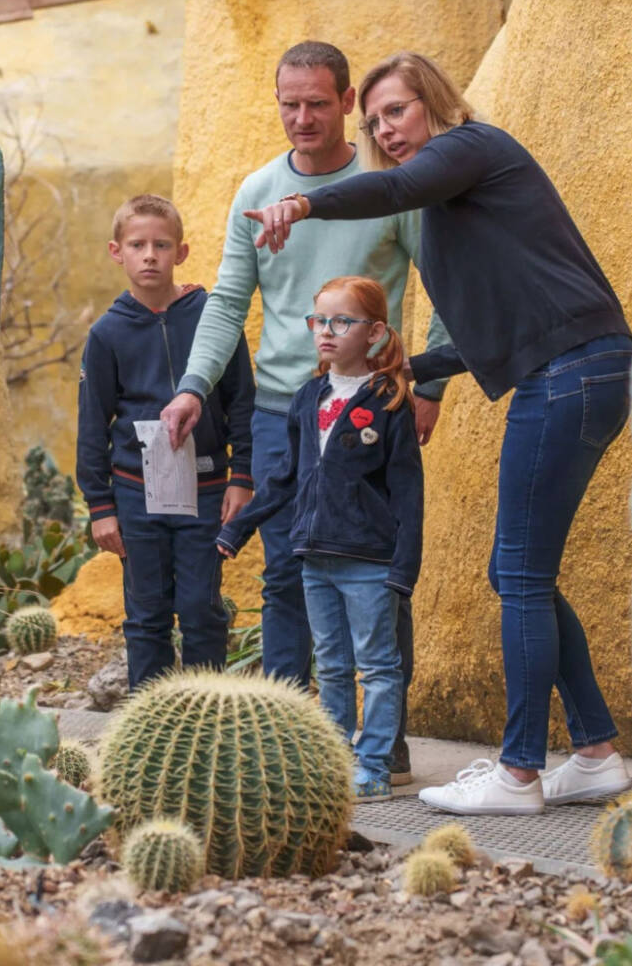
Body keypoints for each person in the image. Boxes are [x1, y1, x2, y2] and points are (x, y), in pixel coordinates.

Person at [246, 50, 632, 815]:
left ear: (431, 102)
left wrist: (304, 204)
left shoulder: (470, 148)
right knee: (522, 574)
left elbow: (392, 185)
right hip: (573, 368)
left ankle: (518, 772)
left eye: (396, 111)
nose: (385, 131)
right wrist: (409, 368)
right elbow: (490, 327)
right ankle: (592, 753)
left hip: (570, 373)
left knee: (516, 575)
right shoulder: (451, 200)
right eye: (376, 121)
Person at [162, 41, 452, 786]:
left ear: (347, 101)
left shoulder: (389, 187)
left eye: (317, 103)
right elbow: (228, 302)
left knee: (379, 574)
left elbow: (446, 282)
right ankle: (297, 743)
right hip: (283, 411)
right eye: (288, 103)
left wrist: (426, 386)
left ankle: (381, 745)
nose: (301, 117)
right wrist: (194, 385)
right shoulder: (256, 190)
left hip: (371, 403)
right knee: (286, 571)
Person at [216, 275, 423, 802]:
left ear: (374, 332)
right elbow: (285, 476)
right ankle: (333, 762)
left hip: (369, 562)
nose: (325, 332)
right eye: (318, 321)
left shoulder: (389, 400)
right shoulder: (309, 397)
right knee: (330, 665)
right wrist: (238, 528)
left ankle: (373, 766)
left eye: (341, 321)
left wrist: (404, 568)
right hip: (314, 557)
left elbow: (407, 494)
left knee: (378, 667)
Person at [76, 194, 255, 689]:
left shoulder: (212, 318)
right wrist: (101, 506)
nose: (150, 255)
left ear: (182, 251)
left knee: (201, 609)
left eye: (161, 244)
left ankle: (205, 720)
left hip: (207, 488)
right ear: (117, 252)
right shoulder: (107, 333)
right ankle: (151, 729)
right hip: (136, 493)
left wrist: (242, 476)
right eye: (138, 245)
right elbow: (92, 424)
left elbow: (241, 400)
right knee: (147, 615)